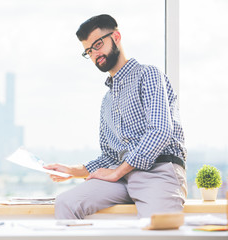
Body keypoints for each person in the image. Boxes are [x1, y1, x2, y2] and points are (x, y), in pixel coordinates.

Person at [44, 14, 187, 219]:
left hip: (158, 172)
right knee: (66, 202)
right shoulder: (107, 101)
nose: (95, 54)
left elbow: (160, 131)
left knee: (157, 231)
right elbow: (110, 156)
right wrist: (72, 170)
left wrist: (117, 172)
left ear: (116, 36)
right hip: (122, 179)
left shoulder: (148, 75)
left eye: (98, 44)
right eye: (88, 51)